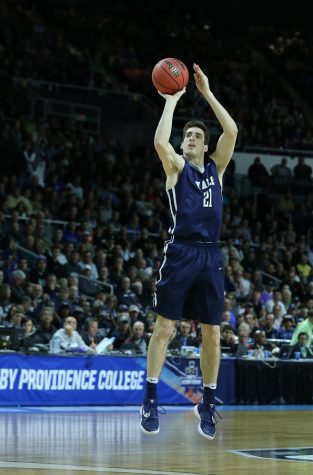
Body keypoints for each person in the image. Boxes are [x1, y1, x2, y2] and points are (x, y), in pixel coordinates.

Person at [139, 63, 237, 440]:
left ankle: (207, 403)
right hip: (180, 252)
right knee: (165, 326)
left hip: (211, 256)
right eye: (189, 136)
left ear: (206, 144)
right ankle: (150, 398)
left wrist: (207, 93)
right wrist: (172, 100)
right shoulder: (176, 168)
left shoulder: (217, 169)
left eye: (197, 135)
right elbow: (160, 143)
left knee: (212, 334)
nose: (191, 138)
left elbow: (232, 130)